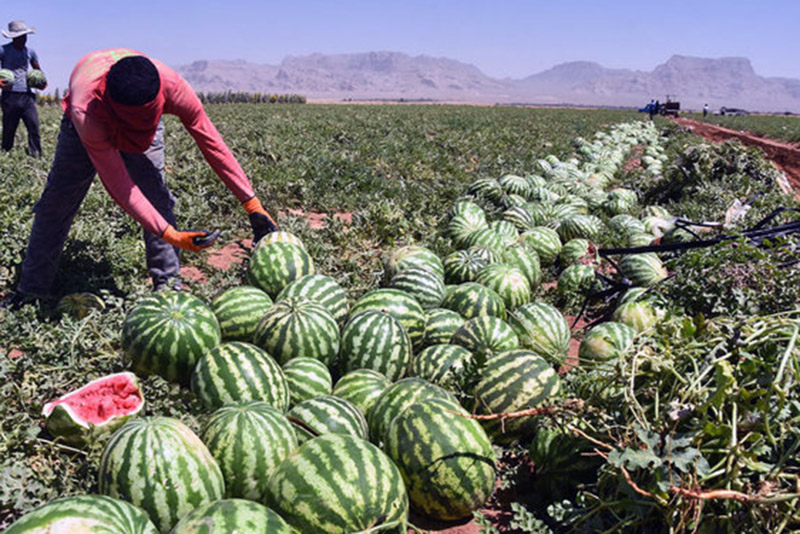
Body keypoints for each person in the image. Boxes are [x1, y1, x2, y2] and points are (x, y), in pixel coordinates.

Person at [6, 49, 279, 306]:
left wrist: (252, 204)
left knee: (156, 197)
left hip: (125, 107)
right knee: (57, 202)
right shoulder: (86, 111)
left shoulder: (173, 87)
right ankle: (31, 291)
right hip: (91, 121)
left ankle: (169, 292)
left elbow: (211, 143)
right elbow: (121, 186)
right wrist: (171, 234)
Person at [0, 20, 43, 157]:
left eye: (25, 36)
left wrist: (42, 81)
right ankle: (5, 156)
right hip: (9, 96)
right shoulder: (3, 50)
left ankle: (36, 156)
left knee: (34, 126)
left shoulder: (30, 52)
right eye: (20, 37)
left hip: (27, 96)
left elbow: (37, 69)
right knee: (9, 129)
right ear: (13, 37)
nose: (23, 39)